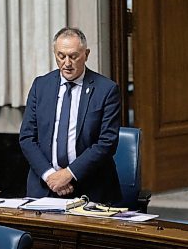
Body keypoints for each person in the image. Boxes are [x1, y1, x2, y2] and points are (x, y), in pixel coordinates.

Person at [19, 27, 122, 204]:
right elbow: (27, 138)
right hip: (45, 186)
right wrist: (51, 177)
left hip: (91, 187)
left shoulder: (106, 90)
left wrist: (68, 174)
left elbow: (107, 142)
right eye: (61, 56)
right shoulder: (41, 86)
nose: (67, 63)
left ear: (86, 54)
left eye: (73, 56)